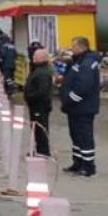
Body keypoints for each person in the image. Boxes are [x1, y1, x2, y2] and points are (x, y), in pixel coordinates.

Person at [59, 37, 100, 177]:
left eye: (73, 47)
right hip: (75, 108)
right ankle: (78, 162)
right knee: (75, 135)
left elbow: (84, 86)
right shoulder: (79, 60)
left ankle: (88, 166)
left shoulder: (88, 62)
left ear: (81, 47)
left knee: (84, 136)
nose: (72, 49)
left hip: (83, 107)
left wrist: (69, 99)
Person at [24, 48, 54, 157]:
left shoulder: (42, 72)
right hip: (36, 105)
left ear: (41, 58)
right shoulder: (38, 70)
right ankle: (39, 149)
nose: (33, 58)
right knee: (36, 128)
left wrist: (30, 96)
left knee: (41, 128)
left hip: (40, 106)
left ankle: (43, 151)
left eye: (35, 56)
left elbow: (43, 91)